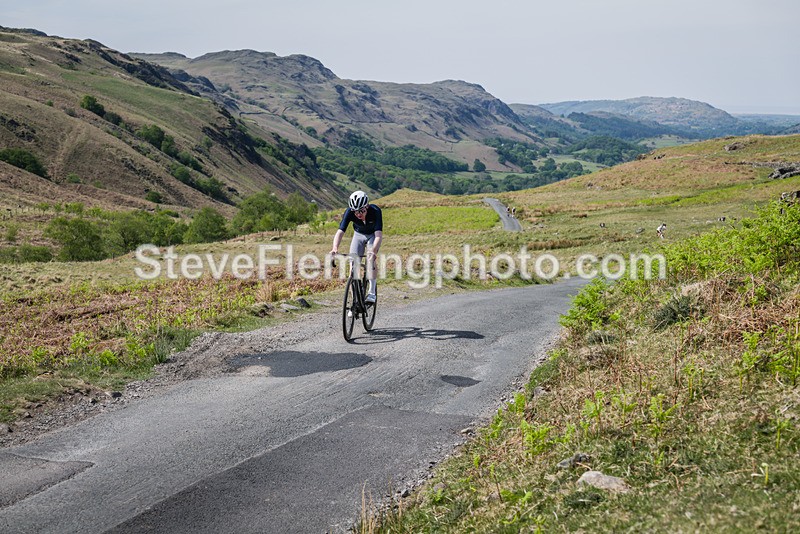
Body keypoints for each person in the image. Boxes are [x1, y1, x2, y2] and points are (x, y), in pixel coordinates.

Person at [330, 190, 383, 303]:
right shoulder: (349, 212)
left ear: (367, 207)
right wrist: (335, 248)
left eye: (361, 211)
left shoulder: (376, 211)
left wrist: (373, 251)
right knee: (352, 268)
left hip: (372, 235)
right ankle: (355, 301)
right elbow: (340, 231)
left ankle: (372, 292)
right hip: (358, 235)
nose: (358, 214)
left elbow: (378, 235)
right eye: (355, 211)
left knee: (370, 260)